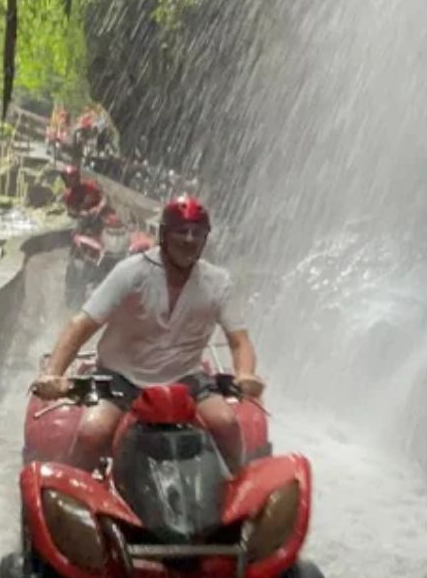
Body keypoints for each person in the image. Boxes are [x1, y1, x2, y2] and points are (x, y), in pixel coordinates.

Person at [32, 196, 264, 472]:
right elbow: (81, 325)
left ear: (205, 239)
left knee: (226, 424)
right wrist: (54, 373)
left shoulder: (218, 282)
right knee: (93, 431)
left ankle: (236, 491)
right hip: (122, 378)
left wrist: (246, 373)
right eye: (181, 231)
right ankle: (74, 496)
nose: (189, 239)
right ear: (164, 234)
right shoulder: (131, 272)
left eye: (197, 233)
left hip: (185, 378)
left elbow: (239, 341)